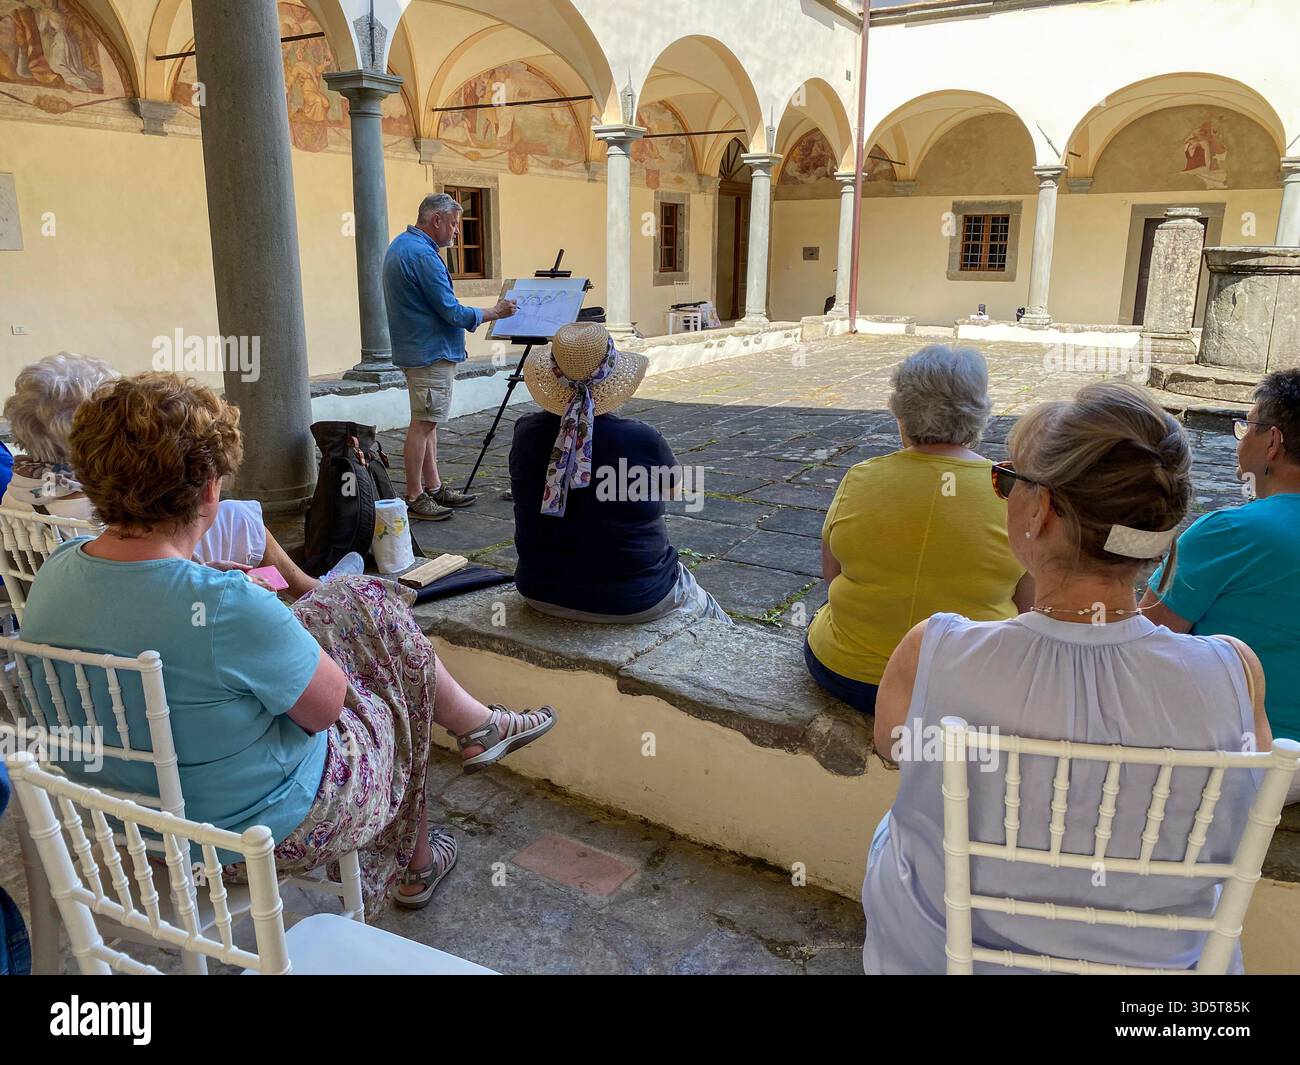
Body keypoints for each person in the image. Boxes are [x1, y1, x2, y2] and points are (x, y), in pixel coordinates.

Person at [18, 373, 557, 914]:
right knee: (385, 659)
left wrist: (246, 608)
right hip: (252, 838)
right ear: (210, 485)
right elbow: (325, 710)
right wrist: (268, 615)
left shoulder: (57, 571)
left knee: (352, 600)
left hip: (131, 822)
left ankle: (471, 743)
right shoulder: (227, 604)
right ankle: (429, 833)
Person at [862, 382, 1270, 974]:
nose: (1001, 494)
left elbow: (892, 750)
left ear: (1042, 509)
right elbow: (1251, 787)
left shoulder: (935, 651)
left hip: (946, 958)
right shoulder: (1232, 672)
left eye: (1006, 480)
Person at [805, 345, 1032, 715]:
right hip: (967, 687)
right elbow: (1027, 609)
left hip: (848, 675)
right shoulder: (1011, 493)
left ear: (901, 414)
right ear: (979, 415)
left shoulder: (860, 478)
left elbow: (833, 578)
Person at [1, 352, 340, 599]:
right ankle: (312, 590)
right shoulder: (97, 504)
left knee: (229, 513)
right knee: (235, 515)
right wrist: (207, 579)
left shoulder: (20, 486)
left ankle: (314, 587)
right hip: (131, 591)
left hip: (68, 595)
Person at [1141, 369, 1300, 802]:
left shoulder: (1228, 532)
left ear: (1273, 442)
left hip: (1246, 761)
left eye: (1247, 426)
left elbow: (1145, 640)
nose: (1241, 438)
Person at [509, 322, 728, 623]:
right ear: (611, 375)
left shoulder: (525, 432)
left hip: (539, 591)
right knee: (711, 614)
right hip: (632, 597)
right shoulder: (642, 439)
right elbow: (674, 491)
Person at [383, 192, 517, 521]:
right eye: (454, 224)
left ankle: (434, 486)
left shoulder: (404, 245)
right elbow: (451, 311)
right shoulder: (423, 255)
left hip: (421, 349)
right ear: (436, 220)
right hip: (429, 352)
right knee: (423, 423)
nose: (457, 231)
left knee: (430, 423)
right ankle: (415, 495)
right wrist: (495, 311)